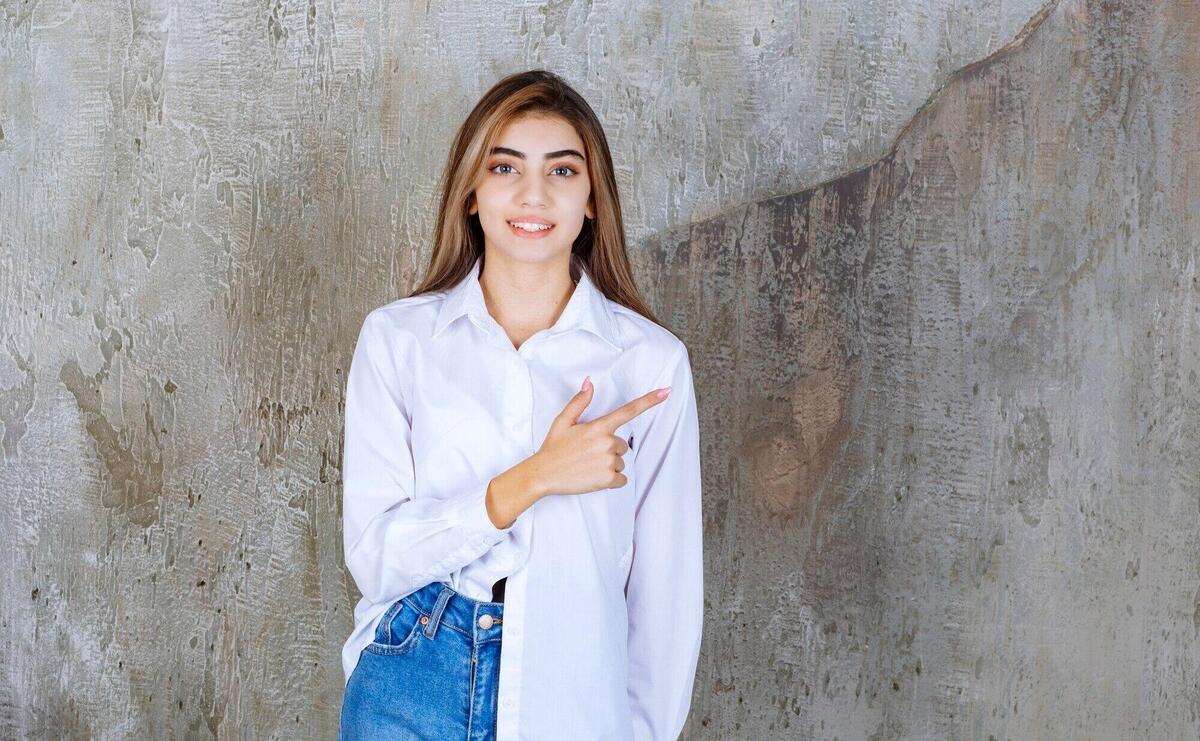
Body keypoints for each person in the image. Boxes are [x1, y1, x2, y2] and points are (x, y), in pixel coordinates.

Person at [338, 69, 703, 741]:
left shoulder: (649, 366)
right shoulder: (399, 341)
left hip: (573, 694)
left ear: (593, 199)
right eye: (505, 166)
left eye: (562, 171)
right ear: (472, 193)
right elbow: (375, 556)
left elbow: (666, 600)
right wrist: (535, 477)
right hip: (413, 678)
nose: (534, 193)